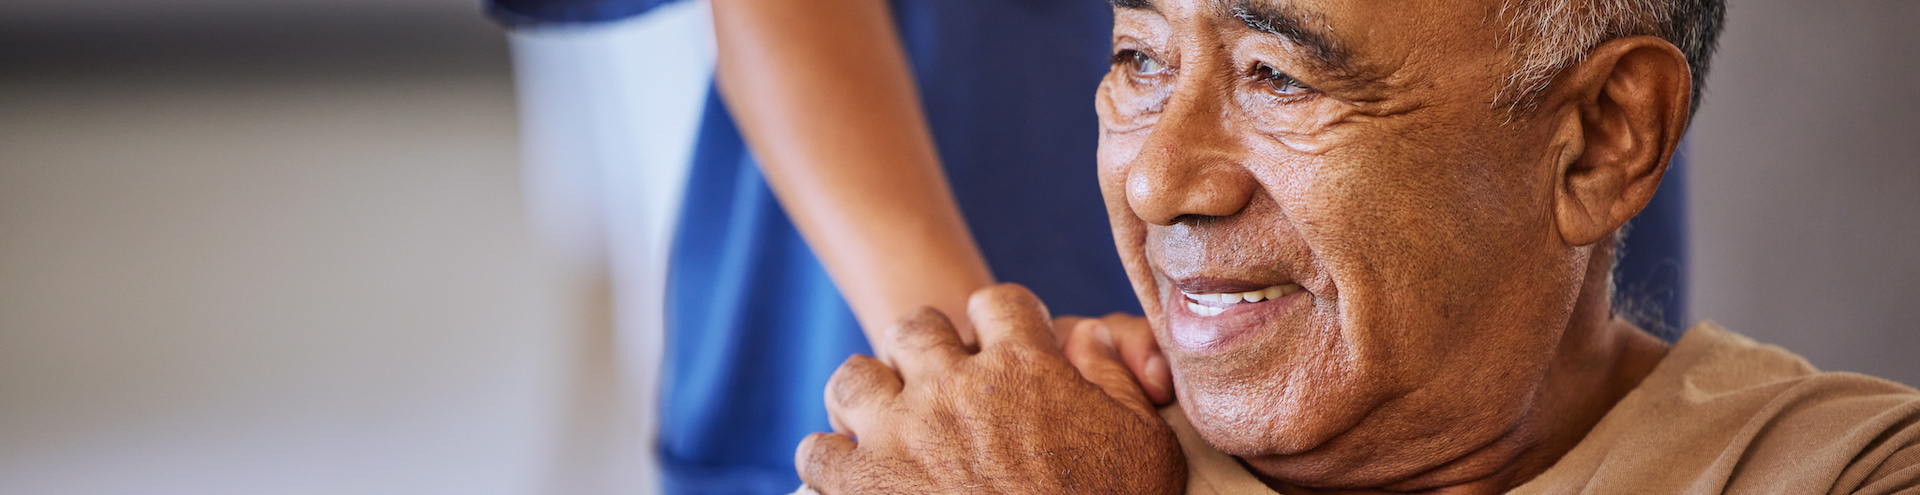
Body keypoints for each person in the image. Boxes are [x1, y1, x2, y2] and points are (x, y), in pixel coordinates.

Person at [798, 0, 1920, 493]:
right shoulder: (968, 463)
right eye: (1139, 57)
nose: (1156, 179)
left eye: (1276, 76)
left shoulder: (1849, 472)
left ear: (1599, 141)